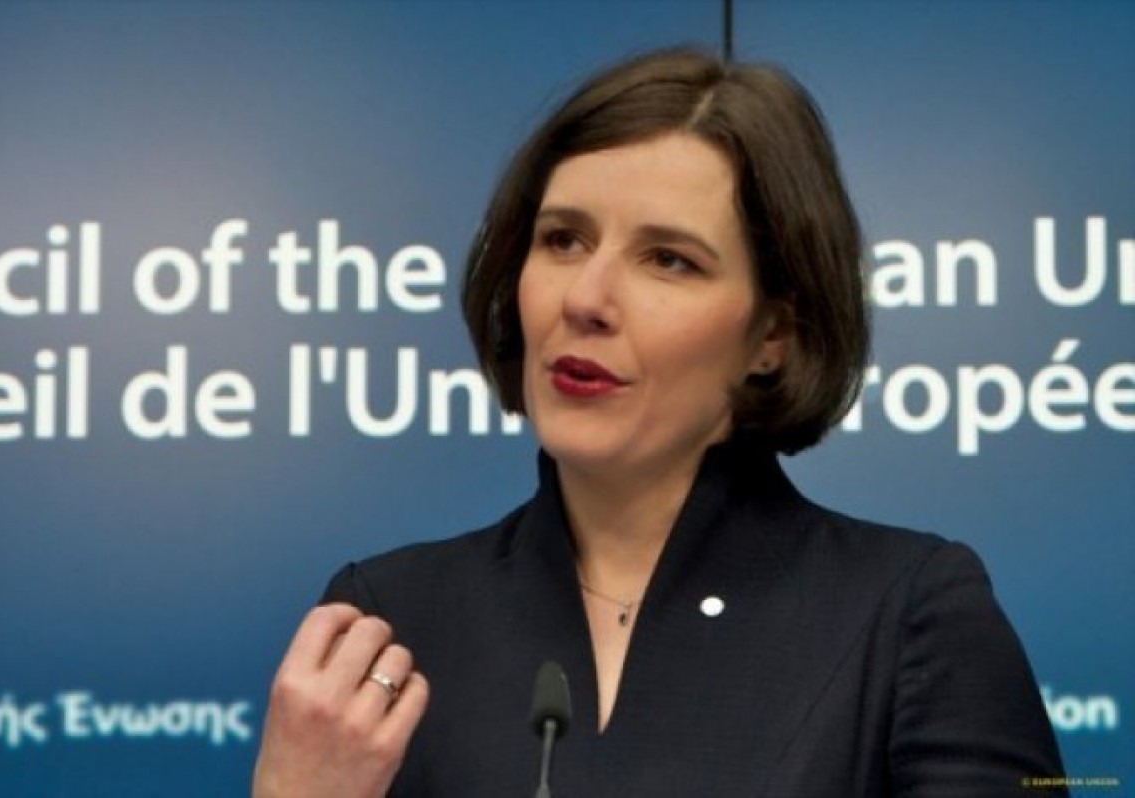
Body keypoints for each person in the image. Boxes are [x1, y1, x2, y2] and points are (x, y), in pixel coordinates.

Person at [253, 47, 1065, 797]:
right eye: (563, 239)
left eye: (669, 260)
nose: (586, 298)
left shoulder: (908, 616)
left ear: (772, 335)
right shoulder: (389, 624)